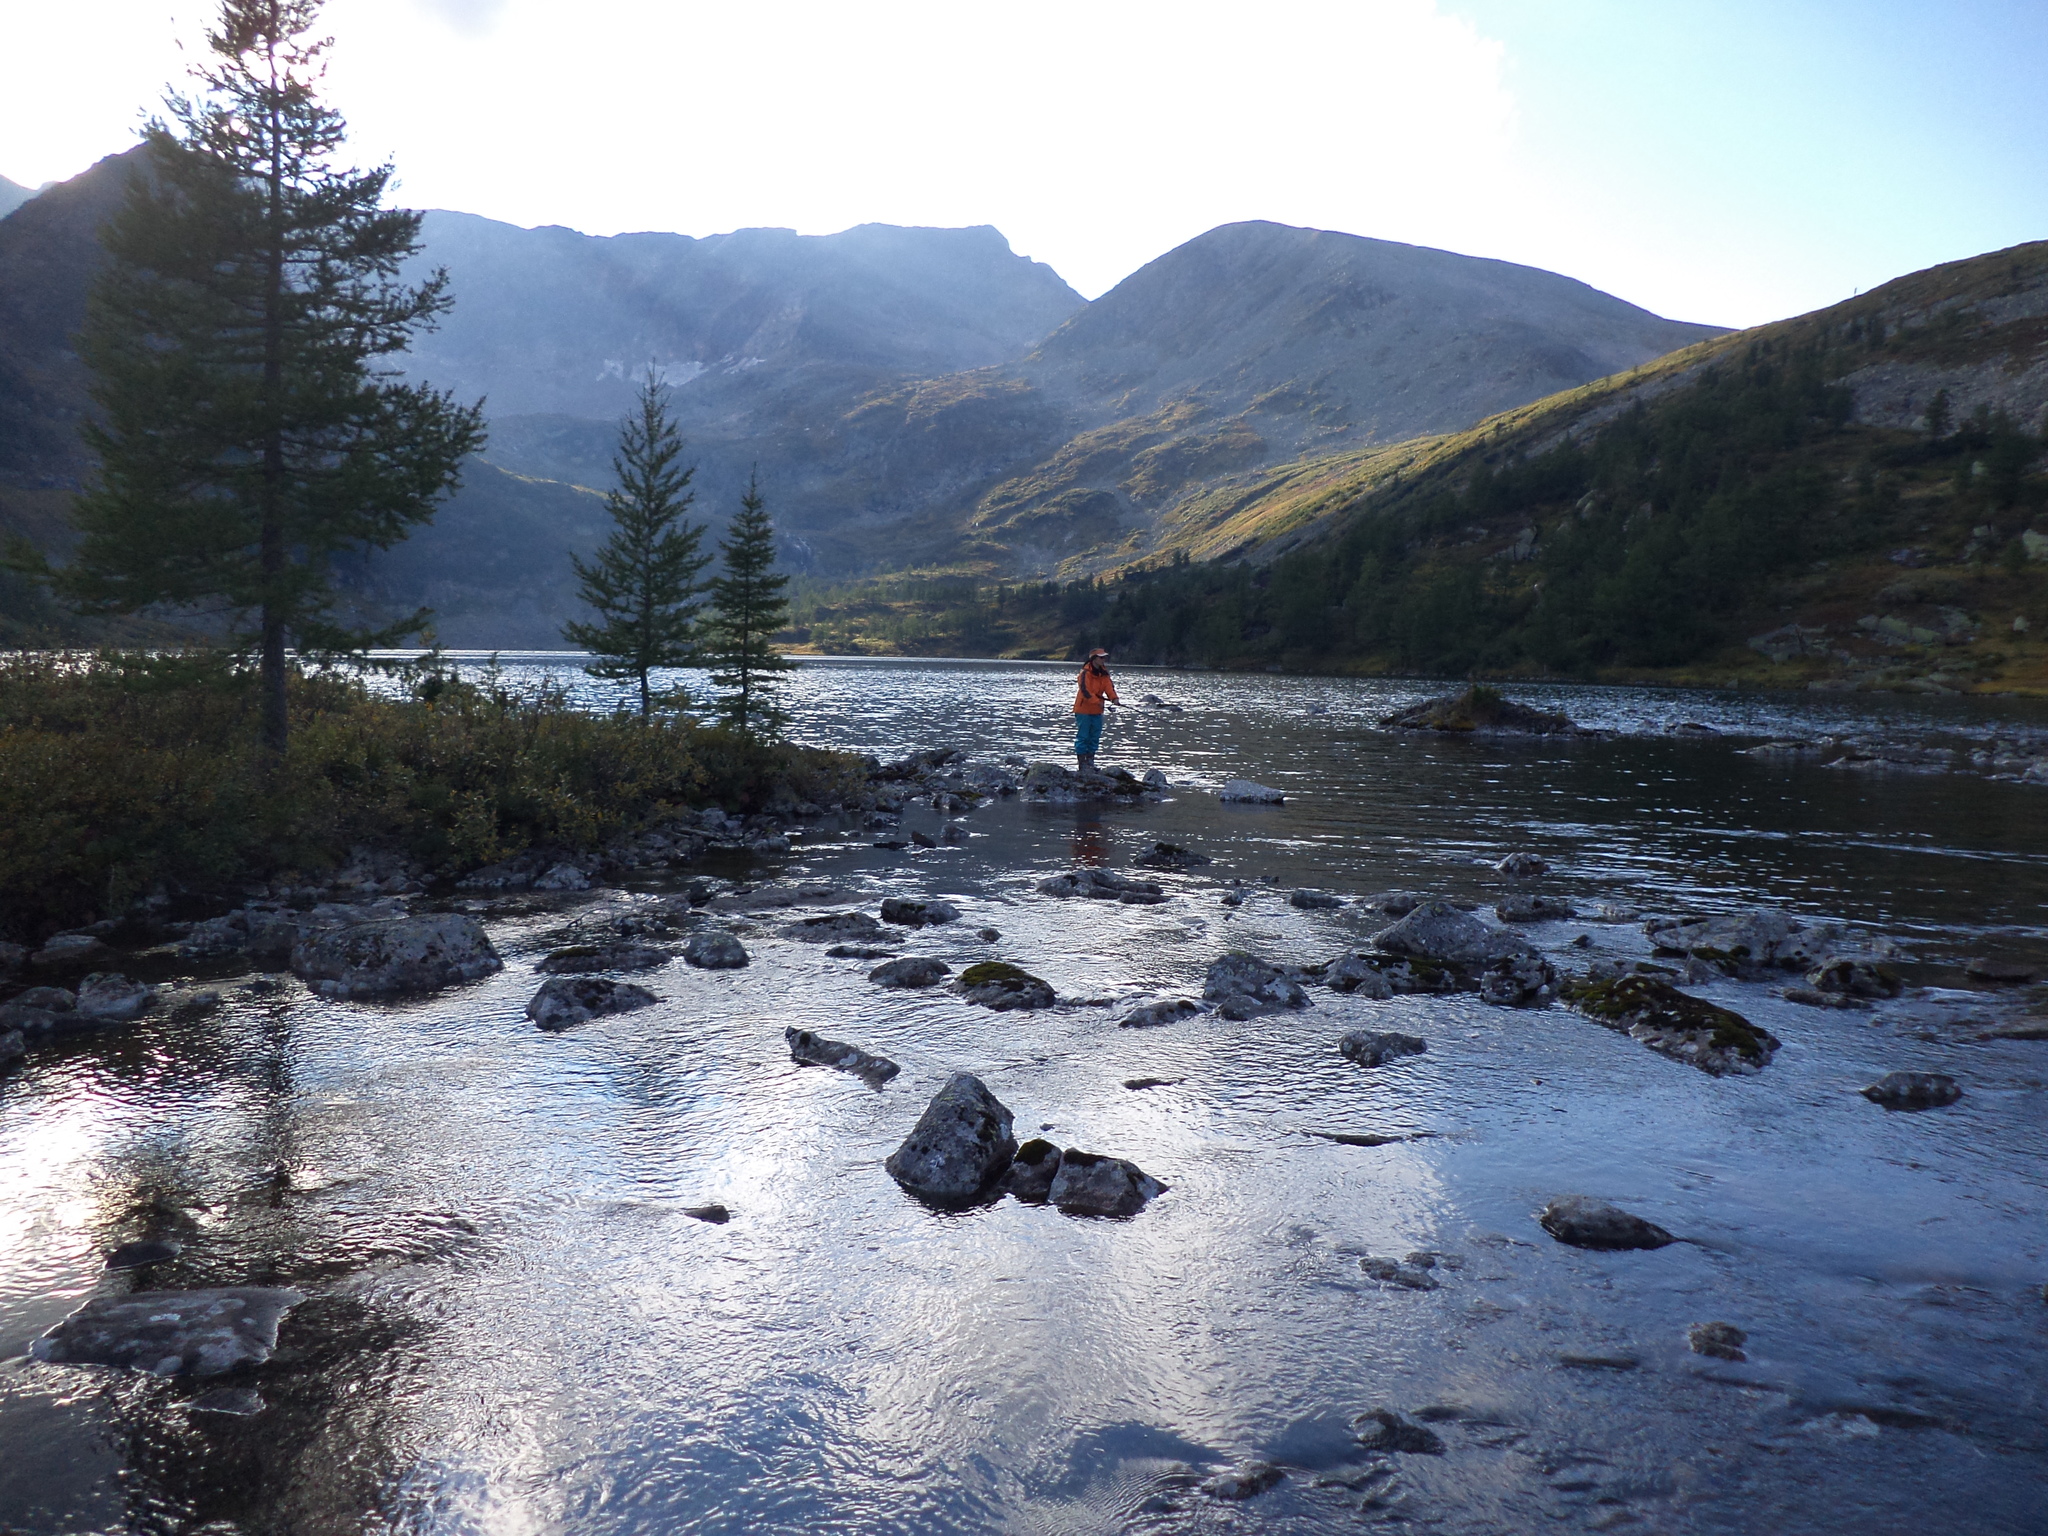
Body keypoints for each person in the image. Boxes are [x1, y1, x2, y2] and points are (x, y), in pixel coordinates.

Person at [1071, 647, 1119, 771]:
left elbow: (1109, 687)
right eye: (1101, 657)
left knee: (1094, 736)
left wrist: (1114, 698)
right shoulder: (1085, 673)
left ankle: (1090, 762)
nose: (1103, 660)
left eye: (1104, 657)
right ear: (1094, 659)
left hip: (1097, 711)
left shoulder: (1104, 673)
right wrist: (1097, 702)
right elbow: (1085, 691)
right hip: (1083, 710)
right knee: (1083, 736)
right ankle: (1082, 764)